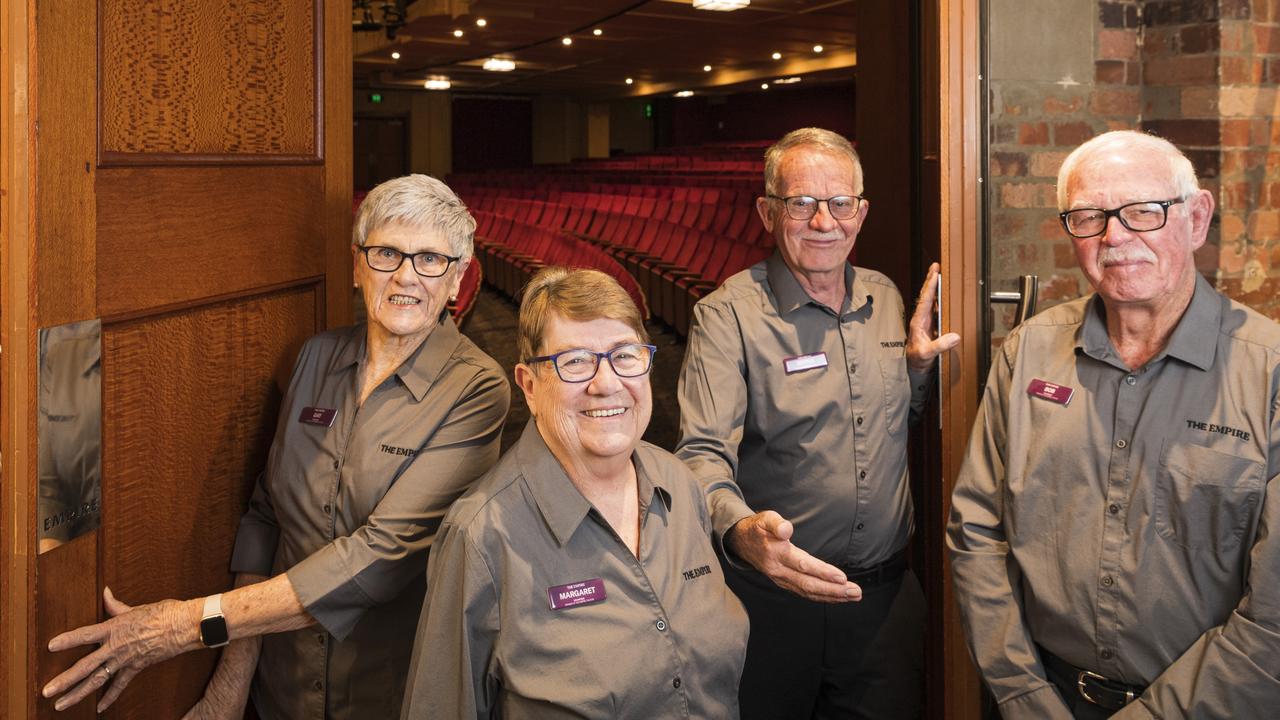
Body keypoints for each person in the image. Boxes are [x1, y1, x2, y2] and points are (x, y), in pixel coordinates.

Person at [41, 174, 511, 719]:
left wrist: (183, 627)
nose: (406, 276)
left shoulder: (478, 388)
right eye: (387, 253)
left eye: (431, 259)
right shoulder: (314, 357)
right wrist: (231, 682)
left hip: (388, 693)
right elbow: (268, 518)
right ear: (359, 267)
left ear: (456, 281)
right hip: (280, 691)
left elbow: (379, 557)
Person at [948, 130, 1280, 718]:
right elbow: (977, 533)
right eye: (1089, 216)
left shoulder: (1269, 374)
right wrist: (1023, 695)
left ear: (1196, 218)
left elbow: (1274, 618)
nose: (1115, 237)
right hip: (1042, 698)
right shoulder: (1028, 352)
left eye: (1143, 213)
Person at [675, 127, 959, 719]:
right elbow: (700, 454)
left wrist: (917, 371)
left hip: (880, 603)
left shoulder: (883, 296)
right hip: (770, 602)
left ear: (861, 212)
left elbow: (892, 419)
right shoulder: (726, 316)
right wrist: (740, 530)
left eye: (840, 204)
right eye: (801, 203)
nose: (823, 222)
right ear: (768, 212)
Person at [401, 267, 749, 719]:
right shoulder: (481, 537)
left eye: (624, 356)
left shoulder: (680, 484)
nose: (606, 384)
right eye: (576, 361)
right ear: (529, 385)